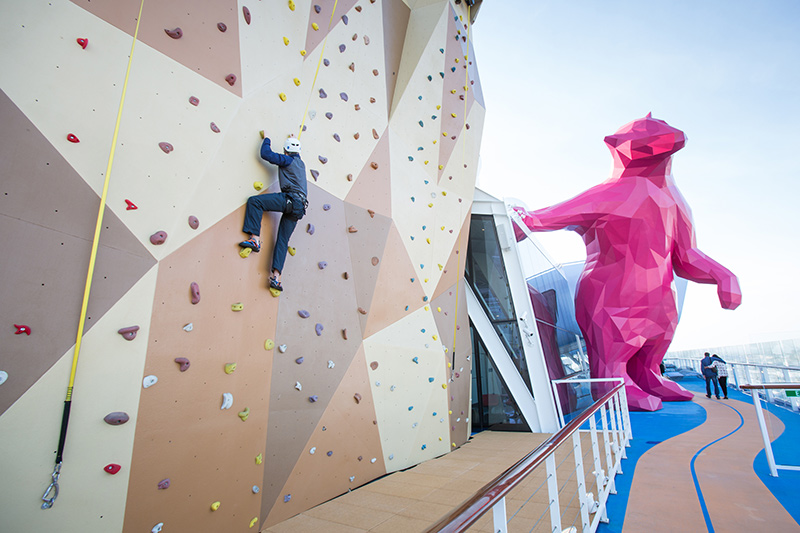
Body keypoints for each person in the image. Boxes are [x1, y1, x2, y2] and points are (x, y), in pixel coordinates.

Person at [239, 135, 308, 292]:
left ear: (286, 151)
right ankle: (276, 278)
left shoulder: (287, 160)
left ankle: (255, 239)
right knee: (283, 240)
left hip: (290, 199)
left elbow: (266, 154)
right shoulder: (301, 164)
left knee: (255, 202)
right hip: (300, 208)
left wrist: (267, 139)